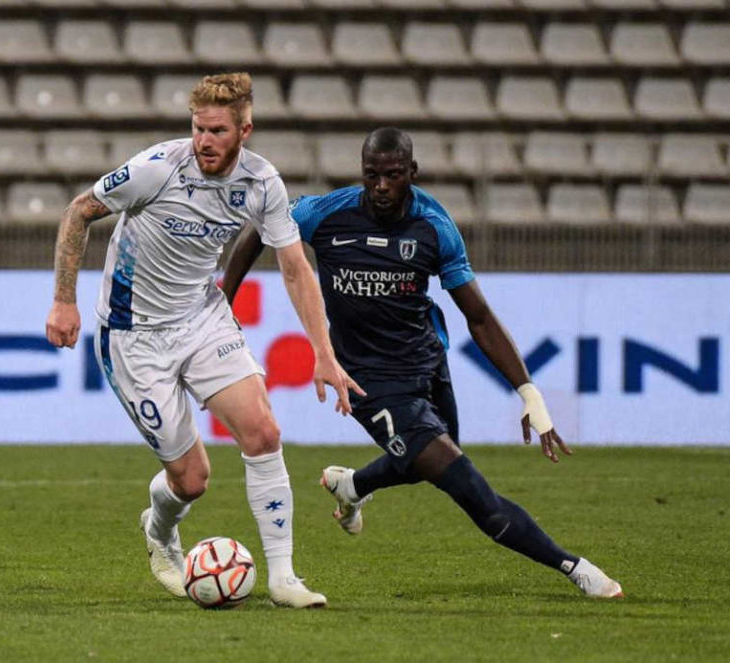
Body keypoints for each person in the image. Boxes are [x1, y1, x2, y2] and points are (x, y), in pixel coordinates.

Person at [221, 127, 623, 598]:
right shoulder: (326, 214)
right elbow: (260, 227)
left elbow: (479, 316)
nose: (382, 186)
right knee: (468, 487)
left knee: (423, 460)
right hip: (367, 380)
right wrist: (225, 296)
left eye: (393, 175)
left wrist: (527, 391)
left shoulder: (434, 226)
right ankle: (574, 568)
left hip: (427, 366)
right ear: (362, 173)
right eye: (372, 175)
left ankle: (353, 485)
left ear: (412, 172)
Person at [45, 72, 362, 608]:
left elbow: (294, 268)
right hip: (134, 335)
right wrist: (63, 300)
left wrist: (324, 354)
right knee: (192, 480)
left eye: (217, 130)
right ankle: (160, 529)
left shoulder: (263, 184)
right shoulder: (156, 170)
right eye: (199, 128)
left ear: (245, 130)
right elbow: (79, 211)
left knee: (262, 431)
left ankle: (283, 577)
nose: (205, 141)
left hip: (202, 318)